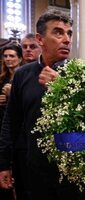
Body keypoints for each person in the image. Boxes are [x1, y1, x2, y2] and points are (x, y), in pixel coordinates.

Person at [0, 9, 85, 200]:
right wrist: (4, 164)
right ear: (40, 39)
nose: (66, 39)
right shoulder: (23, 74)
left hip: (72, 171)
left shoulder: (81, 73)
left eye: (69, 33)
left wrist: (61, 86)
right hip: (33, 170)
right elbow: (11, 122)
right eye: (58, 32)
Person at [0, 44, 23, 200]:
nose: (8, 59)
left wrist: (9, 97)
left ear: (20, 58)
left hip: (18, 127)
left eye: (12, 56)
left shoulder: (24, 76)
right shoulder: (2, 79)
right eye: (6, 56)